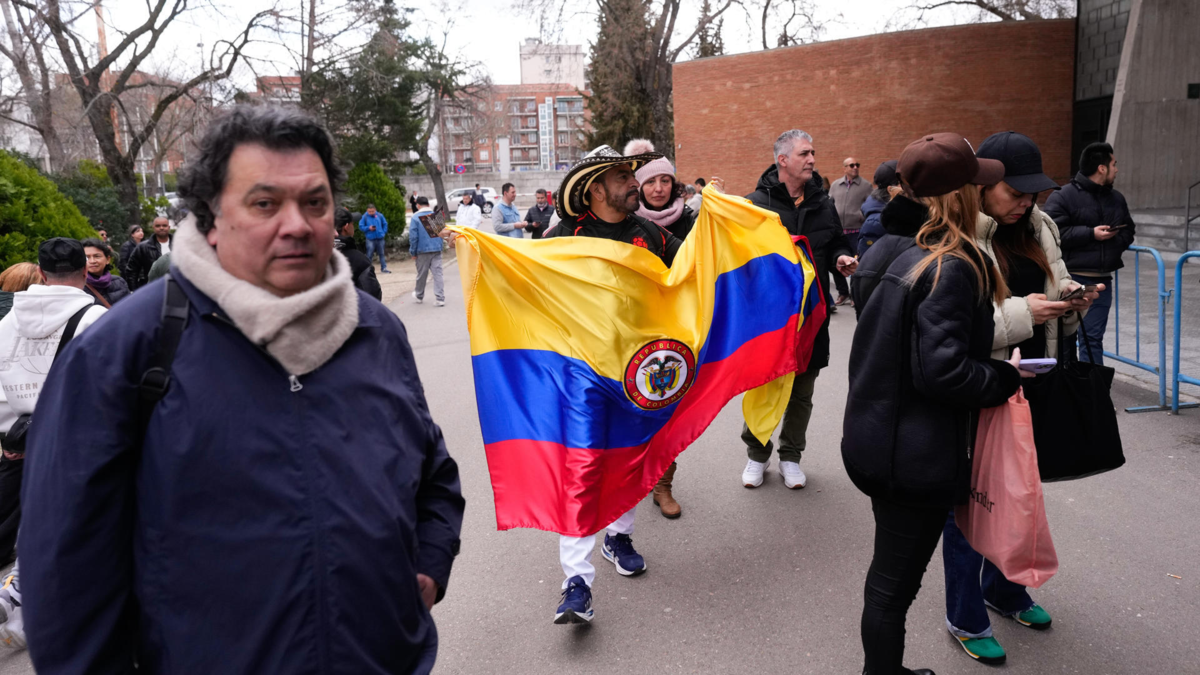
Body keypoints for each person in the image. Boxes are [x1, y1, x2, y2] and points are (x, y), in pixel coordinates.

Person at [19, 105, 464, 674]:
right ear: (211, 217)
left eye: (315, 202)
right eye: (264, 203)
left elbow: (433, 477)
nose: (297, 224)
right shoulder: (125, 349)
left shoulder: (378, 332)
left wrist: (428, 566)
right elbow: (64, 565)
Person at [843, 132, 1025, 675]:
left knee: (887, 581)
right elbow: (942, 371)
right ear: (959, 193)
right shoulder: (950, 265)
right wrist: (1003, 377)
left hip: (879, 440)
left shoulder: (892, 252)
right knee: (892, 588)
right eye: (976, 181)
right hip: (912, 456)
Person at [940, 131, 1102, 666]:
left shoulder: (1040, 225)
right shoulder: (954, 237)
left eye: (1034, 192)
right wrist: (1025, 315)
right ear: (983, 185)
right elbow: (950, 330)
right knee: (971, 500)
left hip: (1033, 379)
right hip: (978, 386)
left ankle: (1004, 589)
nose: (1026, 202)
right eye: (1016, 191)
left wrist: (1072, 299)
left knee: (1021, 491)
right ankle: (965, 614)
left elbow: (1052, 286)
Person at [543, 143, 682, 624]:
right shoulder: (563, 236)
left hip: (639, 372)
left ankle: (618, 538)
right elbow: (524, 283)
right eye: (625, 177)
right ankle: (575, 582)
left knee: (630, 461)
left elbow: (693, 278)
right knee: (583, 468)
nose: (635, 182)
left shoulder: (651, 234)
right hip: (582, 374)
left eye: (633, 175)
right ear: (596, 188)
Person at [0, 238, 109, 649]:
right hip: (80, 441)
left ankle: (21, 601)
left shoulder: (6, 323)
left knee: (41, 518)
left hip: (25, 443)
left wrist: (9, 437)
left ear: (41, 274)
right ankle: (28, 602)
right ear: (85, 271)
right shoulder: (96, 318)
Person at [740, 129, 855, 490]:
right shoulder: (755, 205)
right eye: (805, 154)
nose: (812, 160)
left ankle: (791, 456)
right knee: (764, 388)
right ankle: (757, 456)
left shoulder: (823, 202)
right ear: (783, 160)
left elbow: (833, 241)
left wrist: (840, 257)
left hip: (814, 315)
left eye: (813, 153)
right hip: (771, 320)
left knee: (802, 392)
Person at [1043, 141, 1135, 364]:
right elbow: (1053, 234)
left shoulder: (1116, 199)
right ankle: (1066, 391)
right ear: (1102, 168)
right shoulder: (1062, 196)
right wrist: (1091, 234)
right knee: (1065, 341)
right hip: (1069, 280)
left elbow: (1129, 230)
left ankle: (1093, 393)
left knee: (1092, 339)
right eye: (1114, 164)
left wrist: (1112, 243)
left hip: (1102, 283)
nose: (1117, 169)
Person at [625, 139, 696, 241]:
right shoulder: (628, 219)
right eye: (650, 182)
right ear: (640, 187)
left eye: (665, 181)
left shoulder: (687, 219)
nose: (658, 189)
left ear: (673, 185)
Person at [830, 157, 872, 306]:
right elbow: (829, 204)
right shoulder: (835, 185)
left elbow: (870, 206)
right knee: (838, 264)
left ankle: (854, 294)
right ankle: (843, 293)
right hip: (839, 232)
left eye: (857, 164)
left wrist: (859, 216)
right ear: (844, 168)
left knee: (855, 264)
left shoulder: (866, 186)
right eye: (852, 165)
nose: (855, 167)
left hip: (856, 231)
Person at [335, 212, 383, 301]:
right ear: (346, 227)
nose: (354, 227)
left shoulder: (316, 259)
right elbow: (372, 298)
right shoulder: (359, 261)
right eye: (352, 224)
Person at [858, 160, 900, 259]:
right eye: (903, 183)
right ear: (891, 189)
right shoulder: (876, 222)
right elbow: (867, 265)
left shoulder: (897, 212)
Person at [409, 196, 445, 307]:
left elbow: (413, 237)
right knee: (437, 274)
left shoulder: (415, 218)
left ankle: (419, 296)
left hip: (422, 250)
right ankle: (440, 298)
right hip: (436, 249)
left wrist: (413, 252)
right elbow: (442, 233)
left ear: (418, 205)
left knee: (422, 274)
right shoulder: (435, 215)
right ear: (428, 204)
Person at [126, 217, 172, 290]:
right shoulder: (143, 247)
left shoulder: (179, 245)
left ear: (169, 227)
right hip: (152, 288)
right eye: (158, 226)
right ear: (153, 227)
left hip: (176, 287)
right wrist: (134, 291)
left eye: (164, 225)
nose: (161, 228)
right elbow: (132, 271)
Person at [82, 238, 131, 306]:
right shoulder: (78, 286)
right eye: (87, 257)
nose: (92, 261)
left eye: (97, 256)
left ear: (108, 259)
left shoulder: (119, 282)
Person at [359, 203, 391, 274]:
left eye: (372, 211)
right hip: (370, 239)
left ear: (375, 210)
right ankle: (368, 269)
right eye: (369, 211)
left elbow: (385, 223)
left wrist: (383, 232)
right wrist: (368, 228)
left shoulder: (380, 215)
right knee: (369, 254)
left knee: (382, 254)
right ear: (367, 210)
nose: (371, 213)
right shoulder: (364, 217)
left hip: (380, 238)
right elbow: (361, 226)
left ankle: (384, 268)